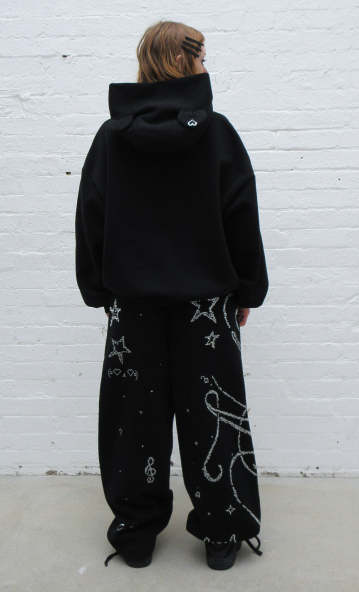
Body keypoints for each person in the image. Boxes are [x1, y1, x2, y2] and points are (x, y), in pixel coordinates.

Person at [74, 20, 269, 571]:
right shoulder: (218, 134)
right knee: (215, 418)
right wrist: (249, 288)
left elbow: (91, 215)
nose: (206, 65)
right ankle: (222, 533)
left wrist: (96, 289)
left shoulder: (112, 138)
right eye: (201, 55)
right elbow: (240, 213)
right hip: (207, 304)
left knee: (133, 422)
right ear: (183, 61)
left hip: (133, 304)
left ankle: (135, 534)